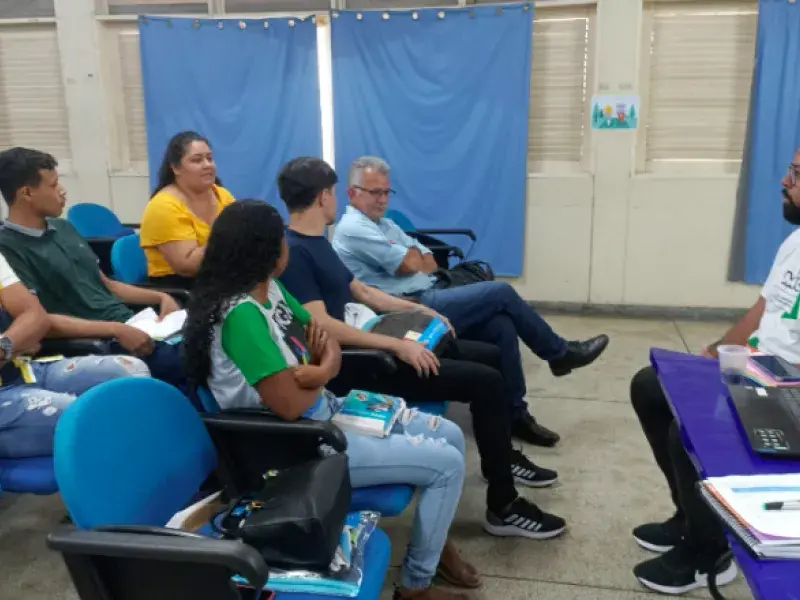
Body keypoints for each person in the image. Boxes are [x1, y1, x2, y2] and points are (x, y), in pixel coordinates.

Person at [184, 199, 480, 600]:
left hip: (325, 411)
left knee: (449, 435)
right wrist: (322, 368)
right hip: (303, 443)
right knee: (445, 464)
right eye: (282, 241)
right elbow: (290, 406)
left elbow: (324, 342)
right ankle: (416, 585)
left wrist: (321, 369)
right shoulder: (242, 317)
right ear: (270, 253)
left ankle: (435, 541)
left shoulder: (269, 290)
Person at [277, 157, 568, 539]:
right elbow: (323, 325)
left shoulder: (318, 243)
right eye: (333, 194)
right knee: (485, 382)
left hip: (375, 343)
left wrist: (420, 309)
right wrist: (397, 345)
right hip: (357, 365)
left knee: (491, 356)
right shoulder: (296, 252)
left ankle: (503, 458)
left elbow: (363, 292)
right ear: (323, 197)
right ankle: (503, 505)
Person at [332, 156, 610, 447]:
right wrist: (410, 255)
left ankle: (515, 413)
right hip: (408, 308)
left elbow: (427, 259)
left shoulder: (385, 224)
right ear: (353, 193)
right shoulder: (353, 227)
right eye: (375, 192)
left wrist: (412, 255)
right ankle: (559, 353)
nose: (382, 199)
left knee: (501, 325)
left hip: (431, 289)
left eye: (387, 192)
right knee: (501, 292)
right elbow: (407, 263)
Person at [629, 151, 800, 595]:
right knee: (651, 387)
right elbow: (764, 312)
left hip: (789, 386)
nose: (784, 180)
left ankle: (711, 551)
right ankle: (692, 517)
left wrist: (769, 380)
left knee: (690, 431)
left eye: (796, 173)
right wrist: (714, 353)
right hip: (763, 370)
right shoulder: (795, 243)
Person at [0, 147, 187, 392]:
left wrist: (161, 297)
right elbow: (41, 320)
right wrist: (116, 330)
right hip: (99, 340)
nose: (62, 191)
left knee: (211, 339)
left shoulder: (63, 228)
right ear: (27, 193)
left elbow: (106, 285)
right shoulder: (8, 247)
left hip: (135, 324)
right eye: (53, 185)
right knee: (195, 360)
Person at [0, 252, 150, 459]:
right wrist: (19, 339)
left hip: (20, 368)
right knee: (86, 415)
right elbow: (26, 328)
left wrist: (5, 346)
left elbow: (35, 316)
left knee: (130, 370)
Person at [140, 131, 236, 289]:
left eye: (210, 158)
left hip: (220, 280)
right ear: (176, 168)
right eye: (197, 160)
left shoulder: (222, 195)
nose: (207, 165)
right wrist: (230, 239)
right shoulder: (164, 206)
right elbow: (188, 266)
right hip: (181, 289)